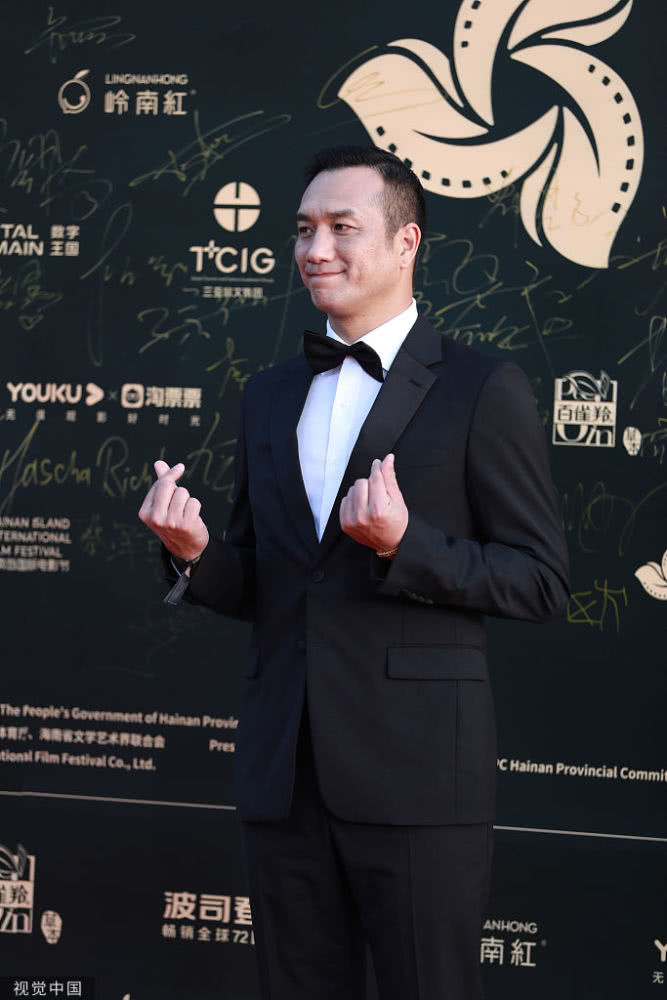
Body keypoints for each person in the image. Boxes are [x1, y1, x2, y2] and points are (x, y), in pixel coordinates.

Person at [139, 145, 570, 1000]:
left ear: (406, 242)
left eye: (342, 228)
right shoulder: (267, 394)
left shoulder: (481, 387)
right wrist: (193, 554)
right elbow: (268, 582)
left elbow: (539, 581)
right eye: (303, 230)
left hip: (417, 776)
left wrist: (404, 545)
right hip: (284, 774)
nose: (315, 249)